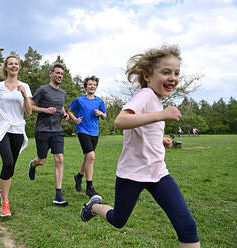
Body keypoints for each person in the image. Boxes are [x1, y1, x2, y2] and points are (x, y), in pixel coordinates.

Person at [80, 45, 200, 248]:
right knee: (118, 220)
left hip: (158, 173)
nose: (173, 77)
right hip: (132, 174)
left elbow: (144, 128)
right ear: (147, 75)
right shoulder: (145, 95)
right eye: (166, 72)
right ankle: (93, 207)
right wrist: (163, 115)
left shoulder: (157, 100)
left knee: (187, 226)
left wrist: (160, 139)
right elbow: (121, 121)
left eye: (176, 73)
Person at [0, 54, 32, 217]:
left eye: (16, 64)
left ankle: (2, 192)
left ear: (19, 67)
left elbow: (29, 111)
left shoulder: (24, 86)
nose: (13, 66)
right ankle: (5, 202)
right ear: (6, 67)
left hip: (18, 129)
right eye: (10, 64)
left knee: (10, 167)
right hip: (2, 128)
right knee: (8, 162)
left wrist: (25, 95)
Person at [28, 62, 70, 206]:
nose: (60, 76)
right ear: (51, 74)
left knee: (59, 159)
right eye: (57, 73)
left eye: (61, 74)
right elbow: (31, 106)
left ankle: (58, 194)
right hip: (43, 130)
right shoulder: (42, 90)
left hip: (57, 130)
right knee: (42, 160)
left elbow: (61, 106)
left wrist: (64, 114)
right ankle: (33, 164)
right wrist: (45, 110)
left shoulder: (63, 93)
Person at [68, 76, 106, 198]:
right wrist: (75, 119)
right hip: (82, 130)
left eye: (94, 84)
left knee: (87, 158)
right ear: (85, 86)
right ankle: (89, 187)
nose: (92, 86)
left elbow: (104, 116)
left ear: (96, 87)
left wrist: (100, 113)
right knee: (91, 156)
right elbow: (69, 111)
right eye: (90, 84)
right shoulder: (79, 100)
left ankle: (78, 176)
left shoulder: (99, 101)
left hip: (94, 132)